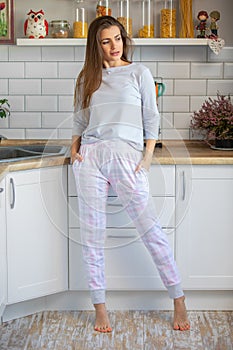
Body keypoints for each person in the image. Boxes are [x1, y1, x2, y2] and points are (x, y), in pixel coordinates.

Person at [71, 15, 190, 333]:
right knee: (92, 237)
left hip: (128, 158)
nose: (113, 46)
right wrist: (74, 149)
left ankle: (178, 299)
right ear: (95, 45)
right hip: (91, 158)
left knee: (151, 230)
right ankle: (100, 308)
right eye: (105, 41)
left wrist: (147, 157)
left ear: (125, 40)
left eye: (118, 39)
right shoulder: (88, 77)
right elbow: (81, 119)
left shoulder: (139, 72)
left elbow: (152, 118)